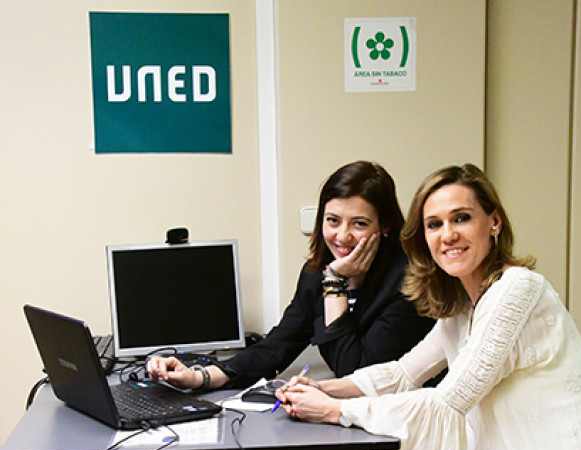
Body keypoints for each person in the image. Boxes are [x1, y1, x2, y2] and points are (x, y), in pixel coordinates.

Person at [275, 163, 581, 450]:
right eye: (434, 224)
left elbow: (448, 402)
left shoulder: (518, 290)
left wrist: (334, 410)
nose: (448, 235)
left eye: (461, 218)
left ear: (494, 221)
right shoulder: (462, 303)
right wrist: (325, 390)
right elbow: (403, 373)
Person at [147, 160, 437, 390]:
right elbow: (278, 345)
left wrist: (335, 284)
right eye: (333, 221)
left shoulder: (409, 282)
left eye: (359, 224)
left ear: (385, 226)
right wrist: (200, 376)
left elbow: (356, 374)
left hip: (404, 422)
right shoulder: (316, 274)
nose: (342, 236)